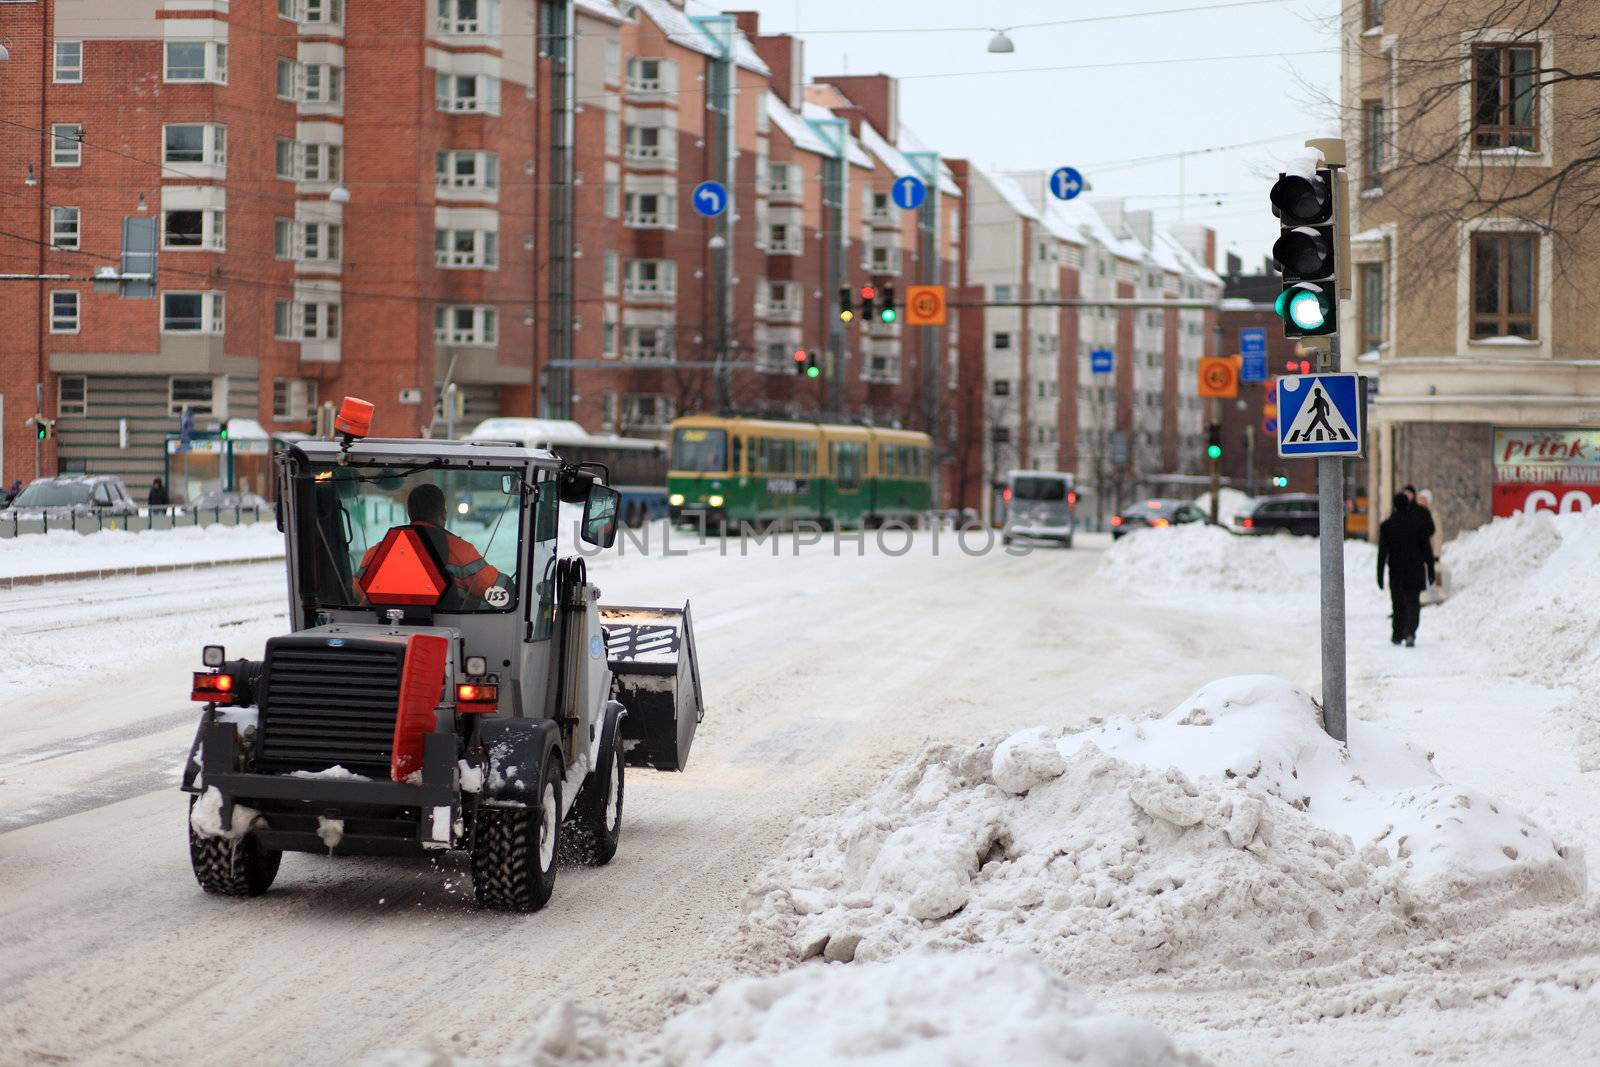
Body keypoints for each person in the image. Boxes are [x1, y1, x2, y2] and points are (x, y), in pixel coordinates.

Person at [357, 483, 506, 607]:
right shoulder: (461, 551)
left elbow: (357, 590)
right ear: (443, 514)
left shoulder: (378, 552)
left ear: (410, 514)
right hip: (447, 632)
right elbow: (498, 591)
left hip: (385, 633)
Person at [1377, 491, 1436, 647]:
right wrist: (1431, 570)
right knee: (1413, 602)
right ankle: (1410, 632)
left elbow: (1382, 553)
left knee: (1398, 603)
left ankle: (1397, 634)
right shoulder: (1418, 523)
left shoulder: (1387, 526)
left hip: (1396, 572)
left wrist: (1380, 575)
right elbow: (1427, 550)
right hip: (1415, 570)